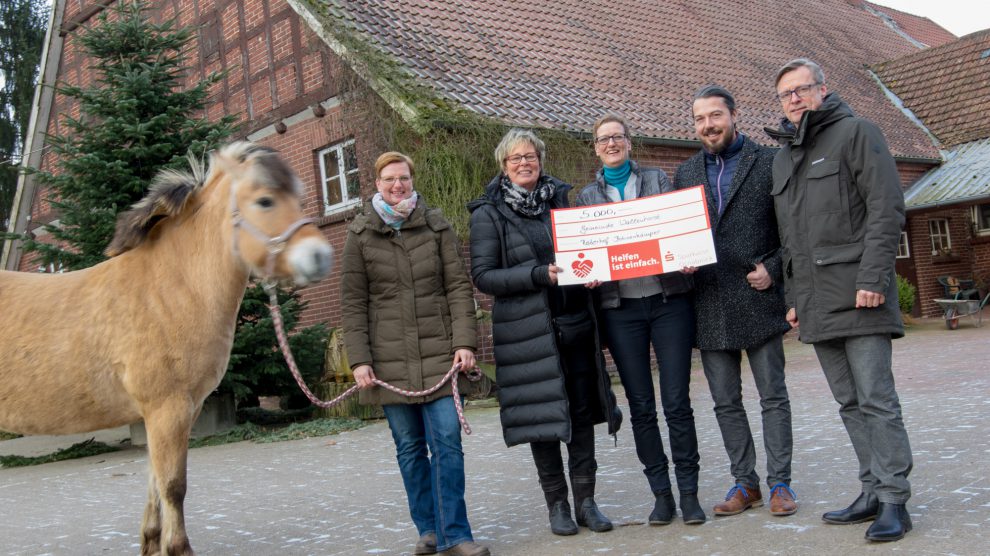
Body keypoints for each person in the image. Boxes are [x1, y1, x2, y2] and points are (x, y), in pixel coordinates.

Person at [765, 58, 913, 542]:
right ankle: (871, 489)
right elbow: (792, 238)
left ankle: (894, 500)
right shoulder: (784, 156)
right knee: (849, 403)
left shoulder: (857, 133)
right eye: (785, 93)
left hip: (861, 294)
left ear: (822, 90)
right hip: (816, 302)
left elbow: (886, 207)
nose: (793, 99)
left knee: (876, 399)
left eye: (801, 89)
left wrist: (874, 277)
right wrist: (793, 298)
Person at [467, 128, 622, 537]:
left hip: (575, 325)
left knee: (582, 414)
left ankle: (587, 502)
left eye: (530, 156)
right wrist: (537, 274)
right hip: (529, 335)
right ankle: (558, 506)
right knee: (544, 420)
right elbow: (484, 276)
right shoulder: (488, 213)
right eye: (515, 158)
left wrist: (593, 274)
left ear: (541, 159)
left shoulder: (560, 200)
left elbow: (584, 253)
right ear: (503, 165)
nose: (524, 163)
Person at [340, 152, 489, 556]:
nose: (397, 185)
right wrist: (359, 360)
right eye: (389, 179)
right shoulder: (359, 235)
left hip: (440, 354)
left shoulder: (436, 225)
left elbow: (458, 287)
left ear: (412, 179)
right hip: (387, 362)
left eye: (403, 178)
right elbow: (353, 303)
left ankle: (456, 535)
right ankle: (427, 530)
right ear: (377, 184)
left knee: (447, 444)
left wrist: (464, 342)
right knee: (409, 449)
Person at [575, 114, 705, 526]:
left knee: (677, 402)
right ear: (595, 148)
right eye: (603, 139)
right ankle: (661, 495)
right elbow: (584, 250)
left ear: (630, 143)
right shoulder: (585, 198)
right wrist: (586, 275)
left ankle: (689, 493)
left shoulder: (657, 181)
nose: (611, 144)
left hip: (669, 303)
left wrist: (686, 257)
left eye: (617, 137)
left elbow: (677, 232)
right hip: (621, 310)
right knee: (642, 407)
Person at [673, 85, 796, 518]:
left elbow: (792, 230)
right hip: (708, 301)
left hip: (757, 296)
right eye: (700, 119)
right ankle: (746, 483)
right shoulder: (685, 173)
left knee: (772, 396)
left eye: (715, 116)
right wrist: (679, 261)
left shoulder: (769, 162)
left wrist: (774, 268)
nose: (708, 125)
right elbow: (677, 238)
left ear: (733, 114)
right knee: (725, 401)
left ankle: (780, 482)